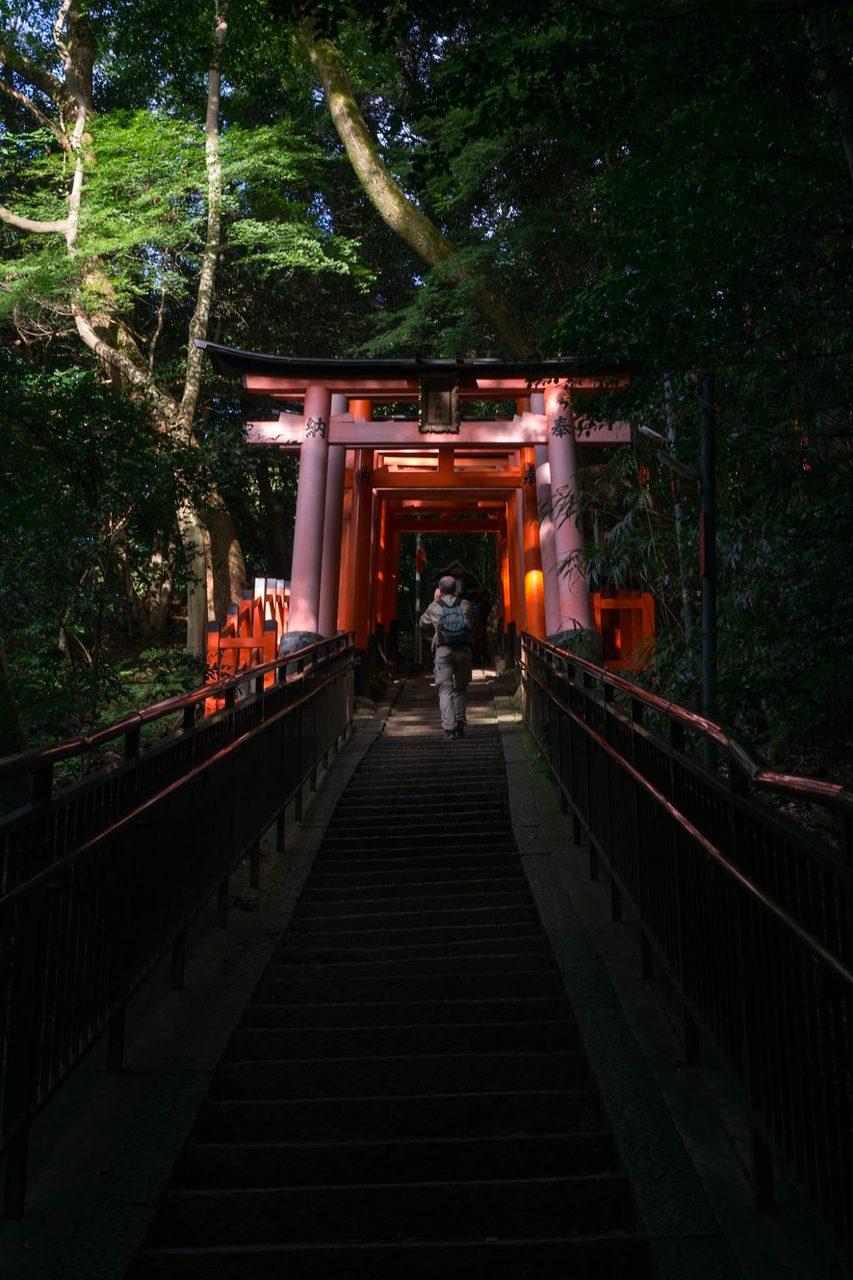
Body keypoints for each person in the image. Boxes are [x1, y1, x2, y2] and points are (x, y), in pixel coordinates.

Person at [420, 575, 474, 740]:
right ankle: (459, 724)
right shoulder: (465, 605)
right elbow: (469, 623)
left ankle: (449, 729)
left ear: (440, 590)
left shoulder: (434, 607)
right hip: (463, 651)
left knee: (445, 689)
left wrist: (435, 601)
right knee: (460, 689)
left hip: (444, 651)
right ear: (456, 589)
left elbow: (422, 622)